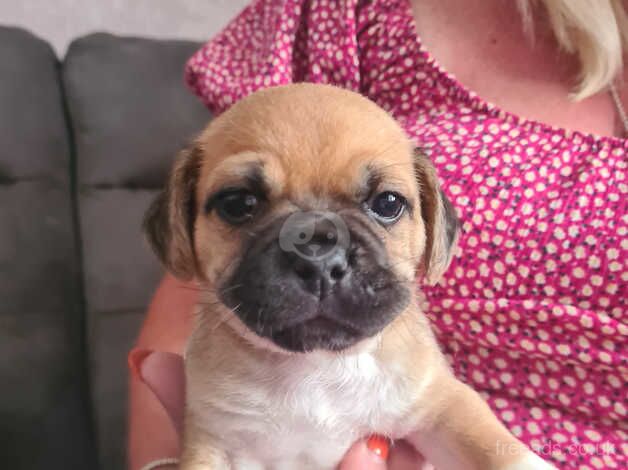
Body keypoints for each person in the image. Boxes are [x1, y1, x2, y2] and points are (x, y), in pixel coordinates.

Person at [128, 1, 628, 469]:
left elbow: (443, 411)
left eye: (384, 205)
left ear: (434, 231)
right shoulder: (337, 13)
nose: (318, 258)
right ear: (181, 226)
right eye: (241, 204)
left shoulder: (410, 365)